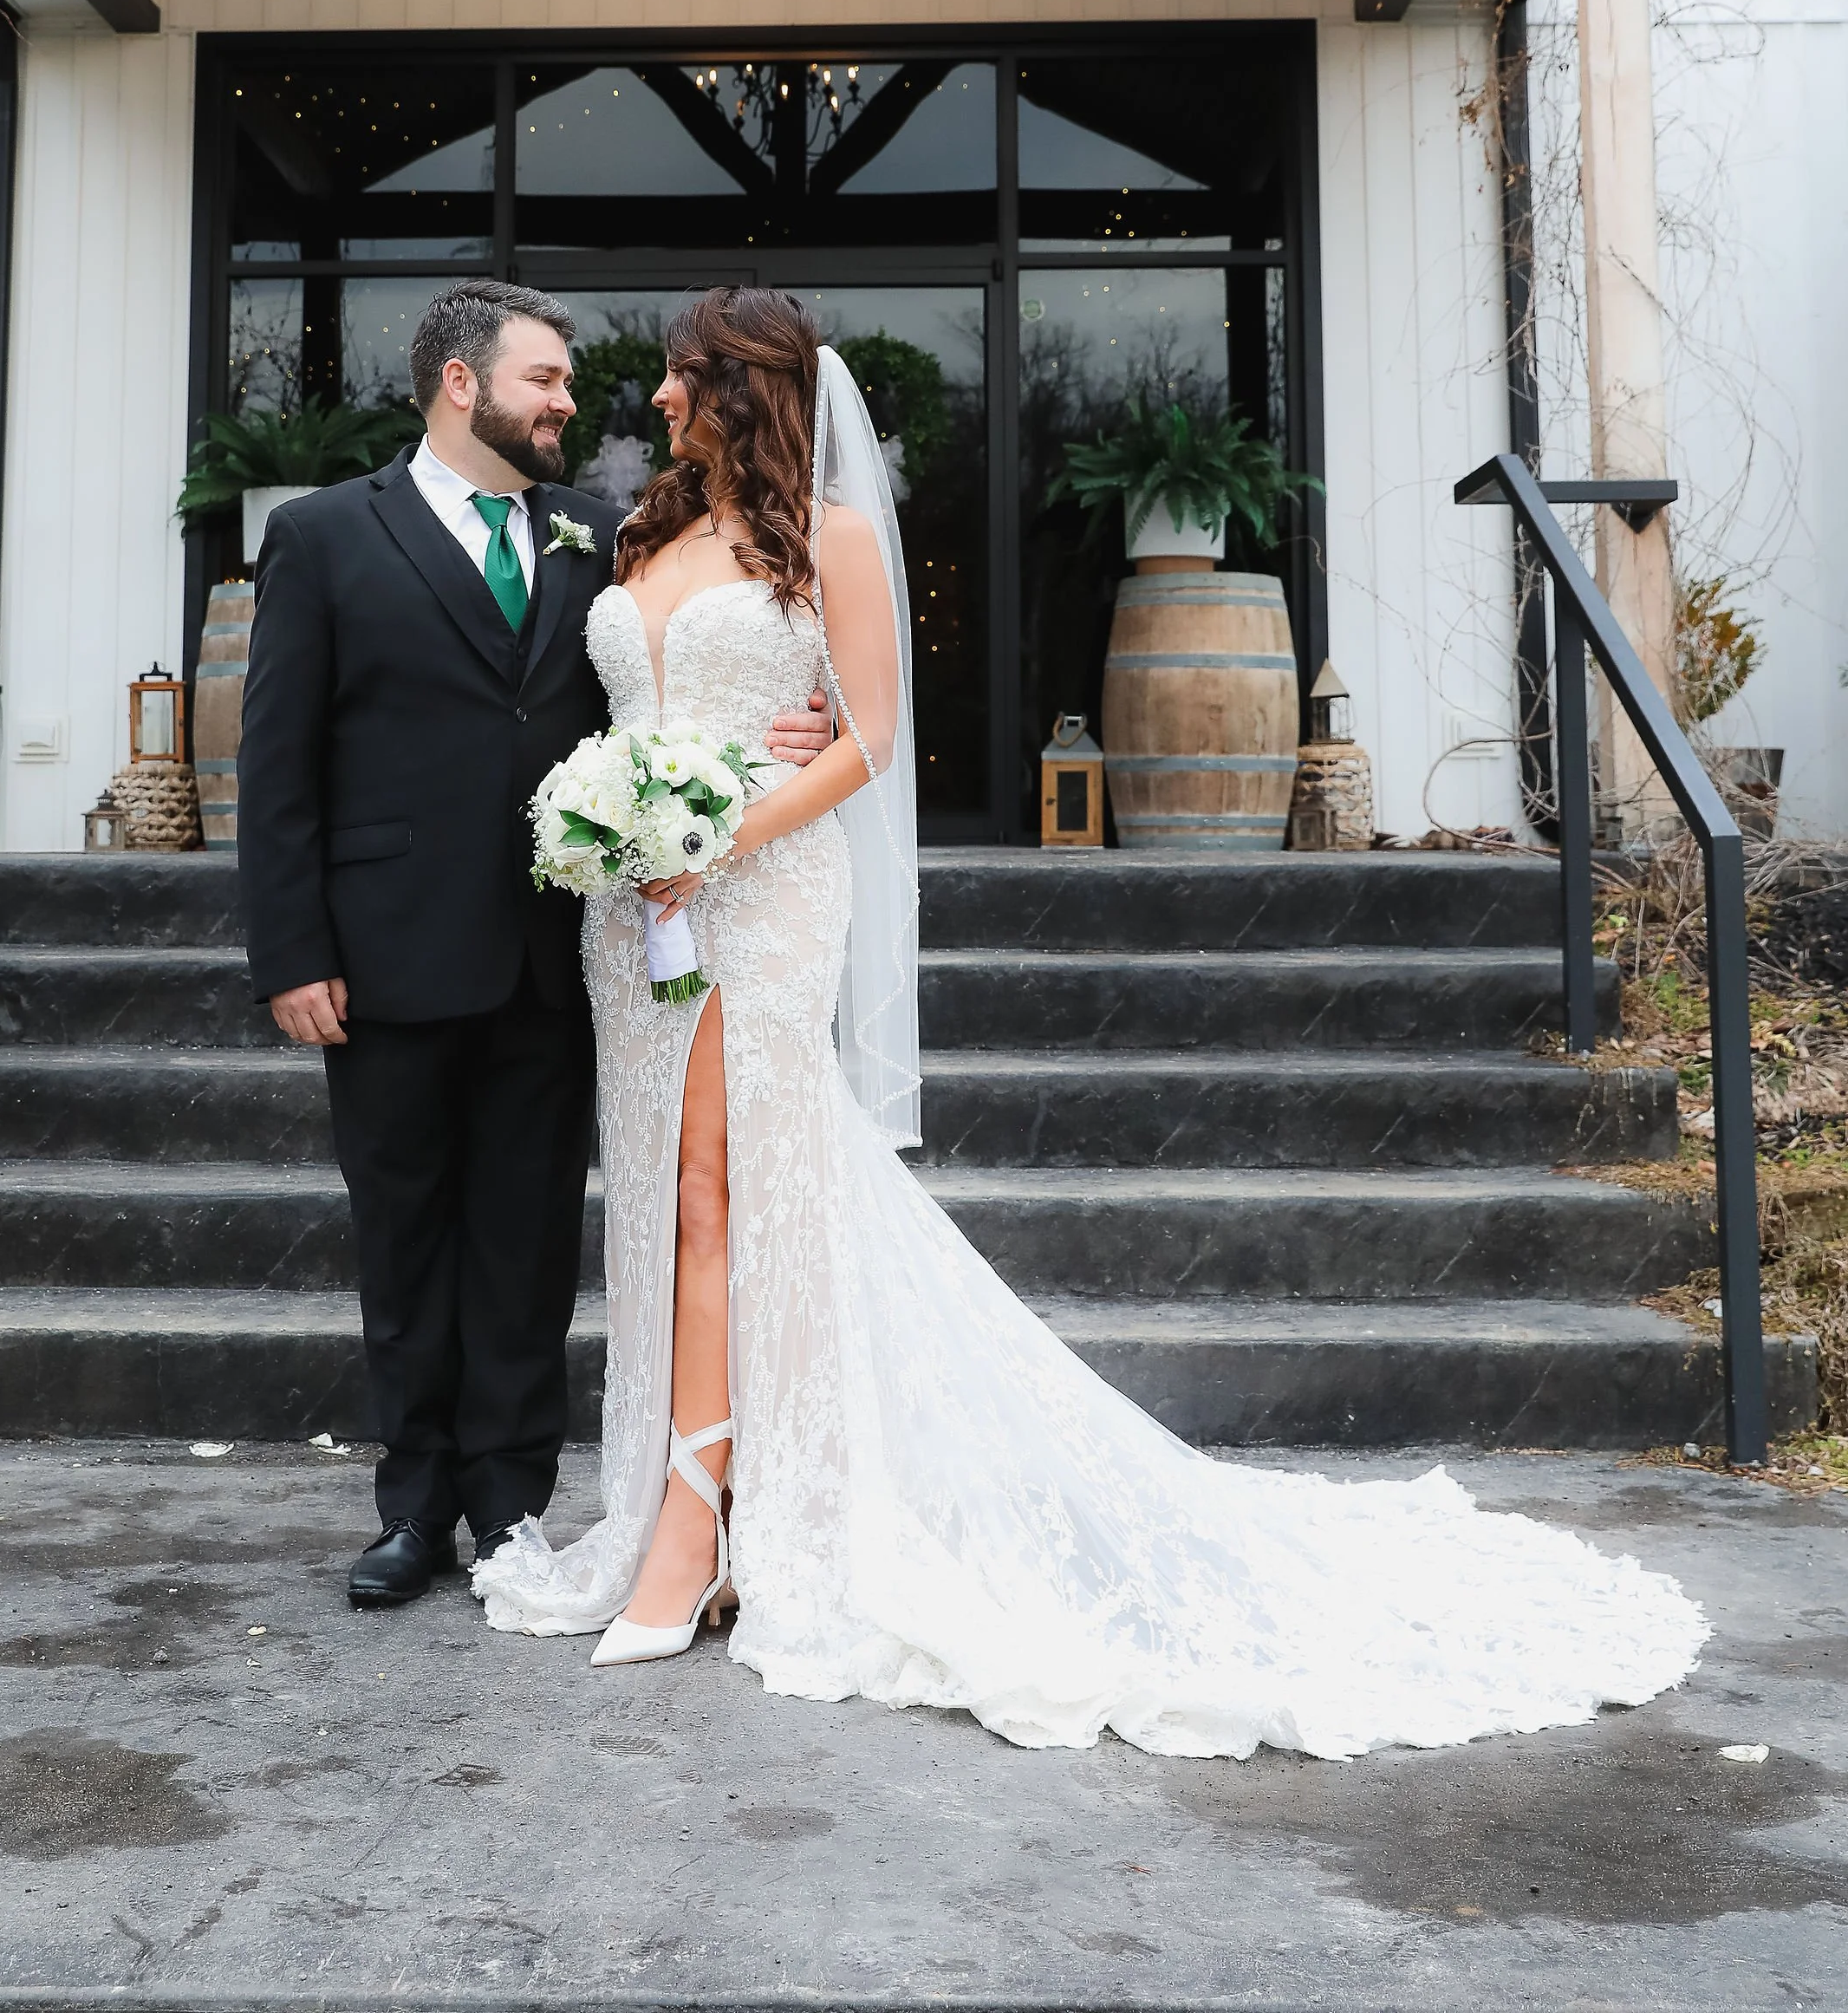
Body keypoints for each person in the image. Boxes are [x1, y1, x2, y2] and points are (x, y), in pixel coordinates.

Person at [475, 283, 1708, 1758]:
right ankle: (714, 1496)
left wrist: (723, 831)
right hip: (641, 915)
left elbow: (866, 736)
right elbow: (621, 716)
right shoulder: (643, 538)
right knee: (670, 1202)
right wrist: (618, 828)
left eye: (684, 381)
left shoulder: (836, 544)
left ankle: (704, 1519)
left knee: (717, 1188)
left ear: (746, 391)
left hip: (759, 891)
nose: (658, 403)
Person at [238, 280, 830, 1610]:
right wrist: (291, 950)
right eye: (546, 381)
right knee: (404, 1236)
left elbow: (661, 688)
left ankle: (510, 1505)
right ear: (464, 383)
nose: (572, 405)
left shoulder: (602, 537)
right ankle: (414, 1505)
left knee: (523, 1242)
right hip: (381, 956)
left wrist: (786, 731)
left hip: (566, 953)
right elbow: (276, 762)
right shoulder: (327, 536)